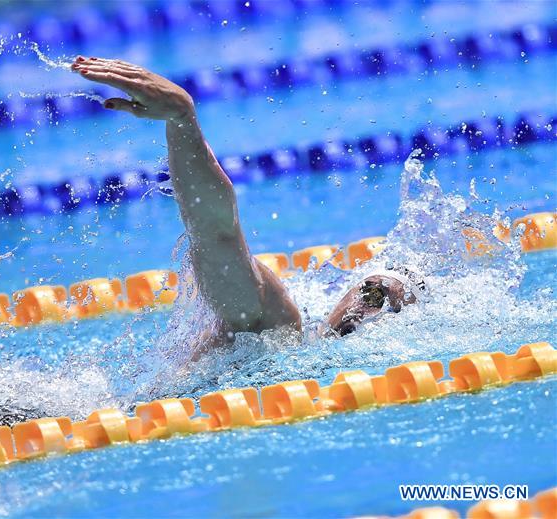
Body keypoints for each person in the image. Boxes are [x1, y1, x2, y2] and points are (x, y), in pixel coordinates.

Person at [71, 56, 419, 341]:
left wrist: (182, 119)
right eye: (372, 292)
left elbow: (214, 234)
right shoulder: (276, 329)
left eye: (377, 297)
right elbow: (216, 232)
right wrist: (182, 120)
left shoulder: (275, 336)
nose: (368, 303)